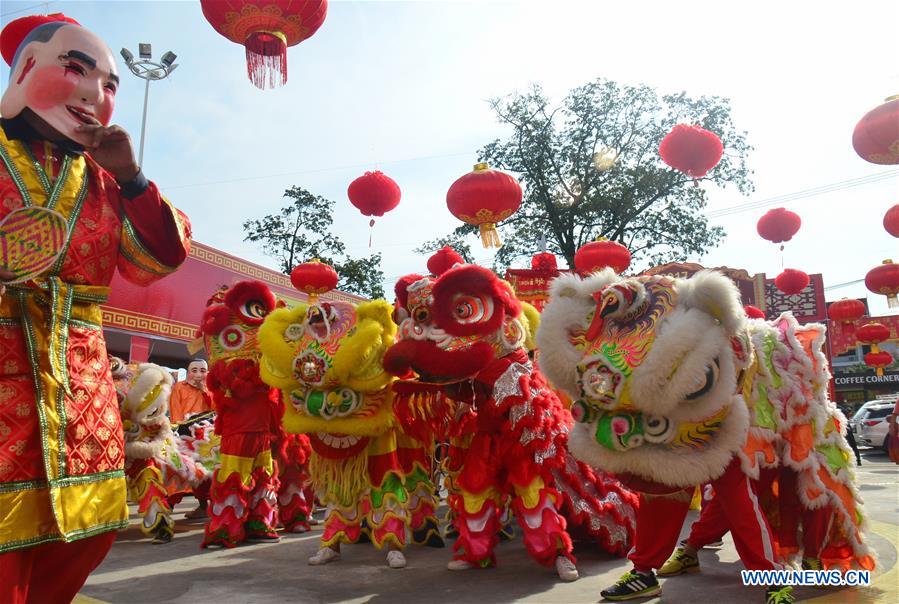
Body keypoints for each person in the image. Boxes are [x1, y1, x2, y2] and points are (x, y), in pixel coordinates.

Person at [0, 14, 191, 603]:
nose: (94, 93)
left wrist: (132, 177)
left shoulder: (105, 181)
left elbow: (155, 261)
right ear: (27, 69)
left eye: (110, 85)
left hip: (80, 379)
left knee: (85, 531)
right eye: (76, 69)